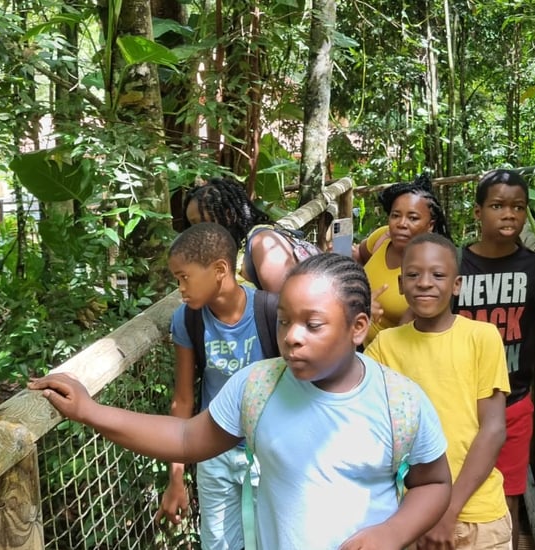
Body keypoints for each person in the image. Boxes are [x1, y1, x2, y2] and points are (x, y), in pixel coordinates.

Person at [29, 253, 452, 550]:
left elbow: (433, 483)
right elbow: (185, 437)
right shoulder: (258, 386)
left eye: (313, 324)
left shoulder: (399, 401)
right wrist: (89, 410)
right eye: (284, 320)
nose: (292, 335)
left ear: (358, 327)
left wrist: (393, 533)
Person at [366, 233, 512, 549]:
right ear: (402, 284)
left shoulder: (483, 337)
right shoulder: (383, 348)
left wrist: (447, 510)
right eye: (414, 275)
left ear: (456, 285)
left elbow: (494, 429)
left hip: (478, 515)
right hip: (411, 516)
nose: (425, 283)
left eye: (438, 275)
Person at [453, 169, 535, 549]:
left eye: (518, 207)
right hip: (455, 405)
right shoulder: (452, 267)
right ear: (477, 212)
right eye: (497, 206)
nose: (508, 215)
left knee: (508, 500)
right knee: (450, 497)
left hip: (514, 405)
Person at [154, 222, 277, 549]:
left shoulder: (270, 311)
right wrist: (176, 477)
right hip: (213, 453)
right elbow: (183, 400)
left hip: (268, 451)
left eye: (184, 277)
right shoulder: (188, 319)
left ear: (220, 269)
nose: (180, 288)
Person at [353, 174, 451, 345]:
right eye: (396, 215)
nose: (401, 224)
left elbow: (403, 342)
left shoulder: (430, 270)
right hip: (356, 341)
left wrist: (359, 310)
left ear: (430, 225)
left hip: (385, 360)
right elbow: (359, 256)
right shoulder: (383, 237)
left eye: (413, 218)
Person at [183, 176, 317, 292]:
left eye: (200, 222)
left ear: (229, 215)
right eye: (192, 225)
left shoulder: (264, 243)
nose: (196, 232)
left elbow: (288, 307)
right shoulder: (232, 248)